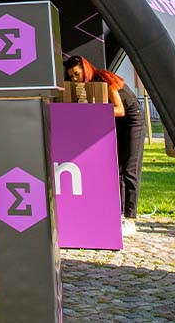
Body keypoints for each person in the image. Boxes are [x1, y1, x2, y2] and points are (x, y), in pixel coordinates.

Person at [64, 55, 144, 237]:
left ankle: (130, 220)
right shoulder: (89, 86)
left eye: (77, 74)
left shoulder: (103, 80)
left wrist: (92, 110)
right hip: (119, 123)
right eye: (72, 77)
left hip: (133, 120)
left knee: (131, 168)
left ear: (85, 68)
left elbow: (119, 109)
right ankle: (117, 215)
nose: (75, 79)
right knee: (117, 169)